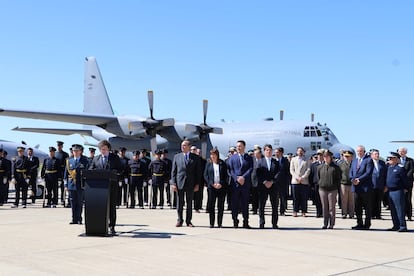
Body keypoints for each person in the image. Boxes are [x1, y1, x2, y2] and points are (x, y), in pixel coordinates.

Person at [89, 140, 122, 235]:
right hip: (99, 188)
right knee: (101, 206)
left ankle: (112, 226)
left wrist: (114, 173)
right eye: (101, 149)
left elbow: (120, 169)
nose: (103, 151)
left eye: (104, 149)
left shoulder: (114, 158)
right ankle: (101, 225)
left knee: (111, 206)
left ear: (109, 149)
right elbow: (91, 169)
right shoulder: (96, 158)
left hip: (111, 186)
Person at [171, 140, 202, 227]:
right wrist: (173, 183)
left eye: (184, 145)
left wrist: (197, 184)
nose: (183, 147)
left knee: (189, 203)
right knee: (179, 202)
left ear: (189, 146)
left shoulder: (195, 157)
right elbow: (173, 171)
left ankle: (189, 221)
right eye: (182, 145)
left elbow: (198, 172)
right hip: (179, 182)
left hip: (190, 183)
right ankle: (179, 220)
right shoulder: (177, 157)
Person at [227, 140, 253, 228]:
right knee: (234, 203)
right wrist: (237, 178)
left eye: (240, 146)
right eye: (237, 146)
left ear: (244, 147)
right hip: (235, 184)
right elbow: (230, 170)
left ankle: (246, 221)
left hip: (245, 184)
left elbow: (250, 168)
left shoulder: (248, 158)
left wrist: (243, 177)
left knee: (245, 203)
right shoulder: (232, 158)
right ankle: (235, 220)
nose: (238, 147)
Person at [349, 145, 374, 230]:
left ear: (364, 151)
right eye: (358, 151)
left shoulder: (368, 160)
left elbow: (368, 173)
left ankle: (367, 224)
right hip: (356, 188)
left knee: (367, 207)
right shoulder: (354, 161)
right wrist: (352, 179)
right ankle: (359, 223)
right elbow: (351, 171)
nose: (359, 153)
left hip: (365, 187)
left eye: (360, 151)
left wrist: (359, 179)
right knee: (357, 207)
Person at [256, 144, 280, 229]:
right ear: (264, 151)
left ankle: (274, 223)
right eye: (267, 150)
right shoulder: (260, 162)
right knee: (261, 205)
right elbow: (258, 174)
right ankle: (262, 223)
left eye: (270, 150)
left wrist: (272, 181)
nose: (268, 152)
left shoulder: (276, 162)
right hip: (263, 186)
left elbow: (278, 173)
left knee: (275, 206)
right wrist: (265, 181)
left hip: (273, 186)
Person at [204, 148, 228, 228]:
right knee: (211, 205)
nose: (212, 156)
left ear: (217, 155)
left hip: (221, 188)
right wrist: (211, 183)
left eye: (214, 155)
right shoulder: (209, 164)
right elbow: (206, 175)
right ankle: (211, 223)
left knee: (220, 206)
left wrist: (221, 184)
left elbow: (226, 176)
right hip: (212, 188)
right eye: (211, 155)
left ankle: (219, 223)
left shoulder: (222, 164)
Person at [64, 144, 89, 224]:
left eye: (77, 151)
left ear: (81, 151)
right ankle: (73, 218)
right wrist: (65, 185)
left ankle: (79, 218)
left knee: (79, 202)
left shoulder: (85, 161)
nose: (75, 152)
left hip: (80, 184)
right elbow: (65, 175)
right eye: (74, 151)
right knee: (72, 202)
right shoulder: (69, 161)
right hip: (71, 184)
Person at [317, 150, 341, 229]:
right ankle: (325, 223)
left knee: (331, 208)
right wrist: (320, 184)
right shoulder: (320, 167)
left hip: (332, 190)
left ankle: (331, 224)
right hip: (322, 189)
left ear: (330, 157)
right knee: (324, 207)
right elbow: (318, 177)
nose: (325, 158)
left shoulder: (336, 167)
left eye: (327, 156)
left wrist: (336, 188)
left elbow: (338, 179)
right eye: (324, 157)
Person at [385, 152, 408, 232]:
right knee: (393, 210)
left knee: (399, 209)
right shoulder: (389, 167)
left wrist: (405, 188)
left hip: (398, 191)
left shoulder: (400, 168)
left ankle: (402, 226)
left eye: (391, 158)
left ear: (396, 159)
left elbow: (405, 180)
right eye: (389, 158)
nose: (389, 159)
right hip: (390, 191)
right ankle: (396, 225)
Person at [289, 147, 311, 217]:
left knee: (304, 197)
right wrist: (297, 177)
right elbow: (291, 170)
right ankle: (295, 211)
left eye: (301, 151)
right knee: (295, 197)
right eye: (299, 151)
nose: (300, 152)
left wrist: (302, 177)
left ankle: (303, 211)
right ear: (297, 152)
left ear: (303, 152)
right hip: (295, 181)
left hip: (304, 181)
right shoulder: (293, 159)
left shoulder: (306, 160)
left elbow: (308, 170)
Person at [397, 147, 414, 221]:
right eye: (400, 151)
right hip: (399, 183)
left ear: (405, 152)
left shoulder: (410, 160)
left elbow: (411, 170)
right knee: (400, 200)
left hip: (407, 183)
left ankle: (409, 215)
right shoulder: (396, 160)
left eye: (402, 151)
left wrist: (404, 178)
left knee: (408, 199)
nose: (401, 153)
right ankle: (401, 215)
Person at [370, 149, 387, 219]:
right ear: (371, 155)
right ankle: (371, 214)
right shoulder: (369, 162)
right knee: (371, 200)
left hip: (380, 185)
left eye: (378, 154)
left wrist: (386, 185)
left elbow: (385, 174)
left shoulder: (382, 163)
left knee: (379, 200)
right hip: (371, 184)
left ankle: (378, 214)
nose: (377, 155)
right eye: (375, 154)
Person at [274, 147, 290, 216]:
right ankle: (275, 210)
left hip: (283, 182)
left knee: (283, 197)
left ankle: (282, 211)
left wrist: (287, 181)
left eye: (277, 152)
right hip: (274, 182)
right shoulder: (273, 160)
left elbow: (287, 172)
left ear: (281, 153)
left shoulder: (285, 161)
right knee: (275, 197)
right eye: (275, 152)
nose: (276, 154)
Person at [339, 150, 354, 219]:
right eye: (345, 156)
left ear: (351, 157)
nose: (347, 158)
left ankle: (351, 214)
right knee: (344, 200)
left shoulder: (354, 164)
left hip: (352, 184)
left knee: (351, 200)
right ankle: (344, 213)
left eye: (348, 156)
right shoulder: (341, 164)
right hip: (343, 184)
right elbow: (338, 174)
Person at [309, 149, 324, 218]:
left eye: (321, 155)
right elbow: (311, 175)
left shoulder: (326, 164)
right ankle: (318, 212)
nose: (320, 156)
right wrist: (311, 185)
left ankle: (324, 212)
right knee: (317, 199)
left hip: (324, 184)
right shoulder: (313, 165)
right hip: (316, 184)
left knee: (324, 200)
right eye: (318, 155)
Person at [55, 141, 69, 206]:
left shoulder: (65, 154)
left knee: (63, 187)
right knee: (55, 187)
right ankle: (55, 200)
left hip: (63, 171)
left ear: (62, 146)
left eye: (60, 146)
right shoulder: (55, 154)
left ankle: (62, 199)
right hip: (56, 172)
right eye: (58, 146)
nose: (59, 147)